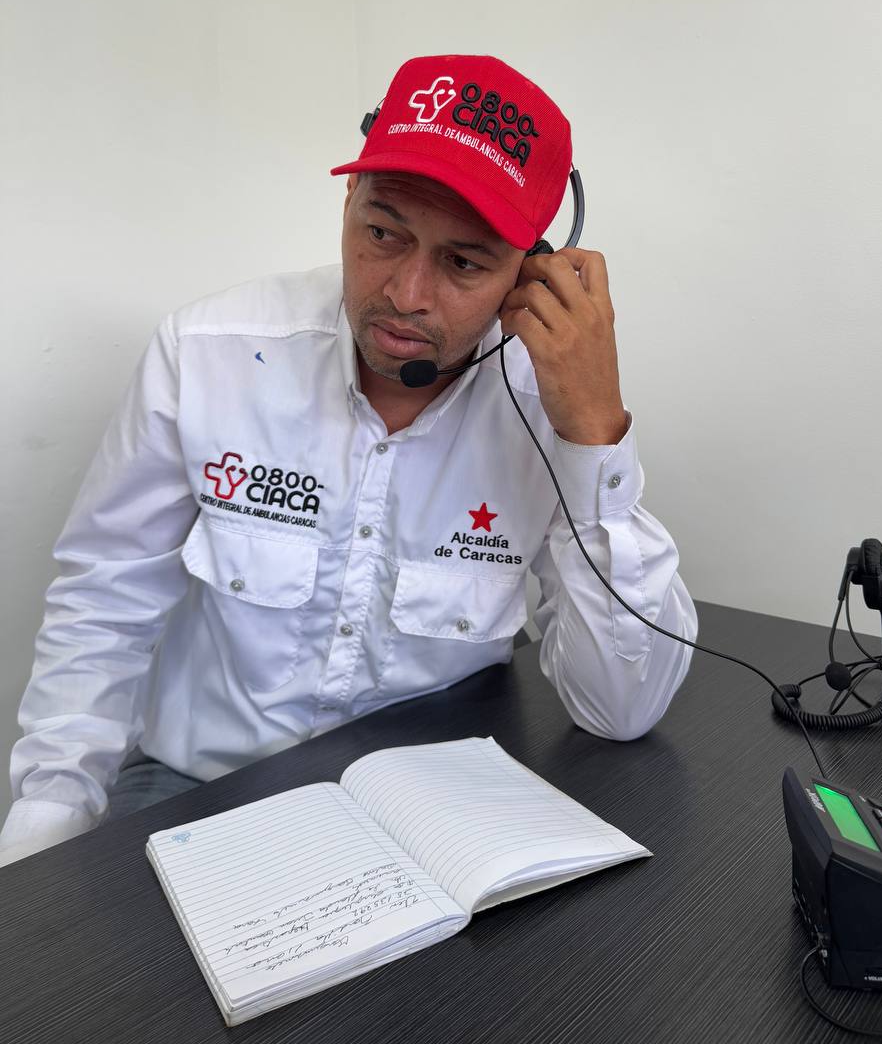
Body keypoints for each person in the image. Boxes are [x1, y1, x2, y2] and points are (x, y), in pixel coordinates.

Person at [0, 53, 698, 868]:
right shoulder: (206, 354)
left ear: (529, 270)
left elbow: (619, 709)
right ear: (348, 201)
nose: (405, 293)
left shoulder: (549, 401)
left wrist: (592, 434)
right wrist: (43, 838)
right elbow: (103, 604)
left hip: (434, 815)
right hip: (199, 788)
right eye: (382, 234)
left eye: (464, 263)